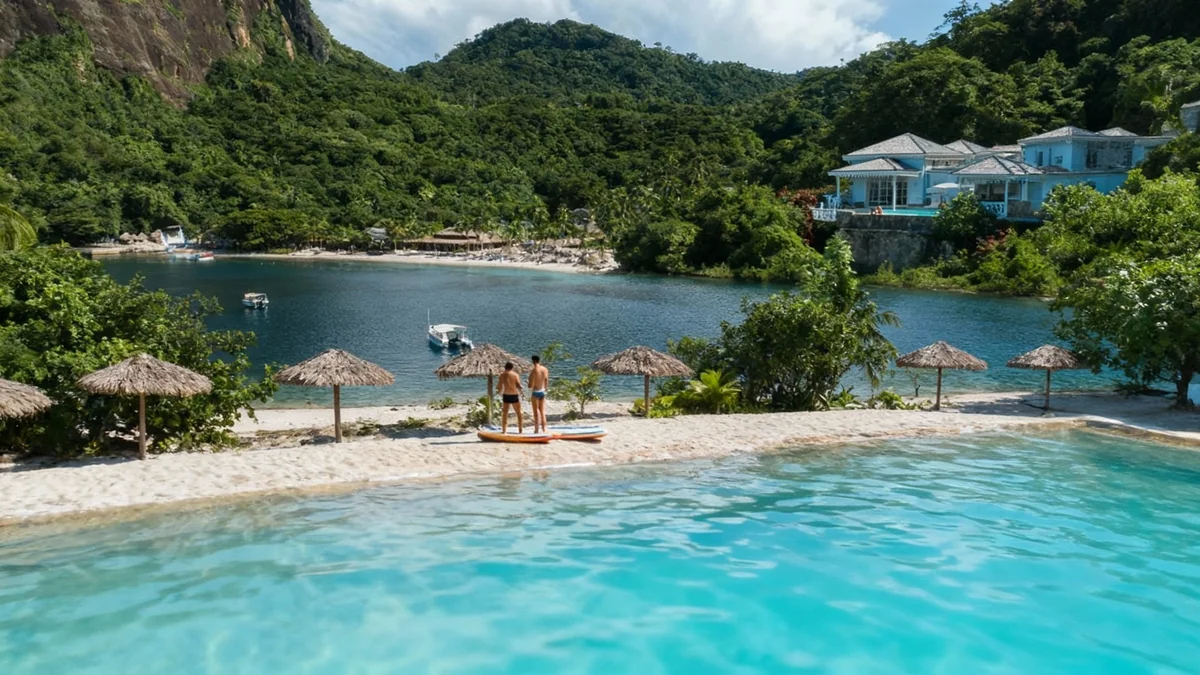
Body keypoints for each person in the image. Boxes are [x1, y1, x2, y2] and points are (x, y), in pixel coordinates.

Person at [498, 361, 523, 434]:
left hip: (506, 395)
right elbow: (518, 385)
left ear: (505, 367)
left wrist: (498, 391)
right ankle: (520, 430)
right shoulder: (515, 374)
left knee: (505, 413)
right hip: (514, 394)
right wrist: (521, 389)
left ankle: (504, 430)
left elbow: (499, 386)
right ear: (512, 368)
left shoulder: (502, 375)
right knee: (519, 412)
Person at [528, 355, 550, 433]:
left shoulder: (534, 370)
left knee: (536, 411)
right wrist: (545, 388)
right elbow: (546, 380)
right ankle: (544, 429)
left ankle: (536, 429)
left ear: (533, 361)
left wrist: (529, 384)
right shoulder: (545, 369)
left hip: (536, 392)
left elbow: (530, 385)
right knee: (542, 411)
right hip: (542, 391)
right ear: (539, 360)